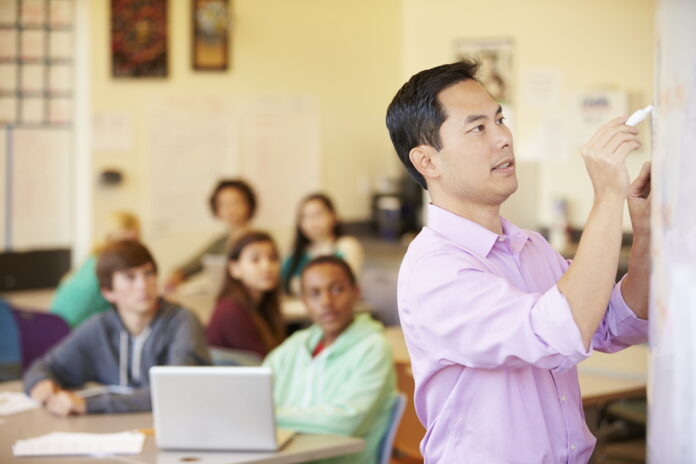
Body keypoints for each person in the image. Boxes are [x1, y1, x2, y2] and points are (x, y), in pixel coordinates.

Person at [385, 59, 650, 463]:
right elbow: (562, 329)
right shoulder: (435, 269)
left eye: (500, 120)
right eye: (478, 128)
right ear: (427, 162)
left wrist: (645, 236)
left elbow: (612, 322)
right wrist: (607, 198)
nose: (503, 138)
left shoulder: (530, 246)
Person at [24, 240, 211, 416]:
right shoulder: (99, 327)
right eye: (130, 277)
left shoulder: (182, 321)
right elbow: (44, 366)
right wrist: (41, 383)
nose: (143, 285)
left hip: (174, 424)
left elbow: (175, 391)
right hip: (113, 432)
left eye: (148, 273)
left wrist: (89, 405)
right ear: (108, 292)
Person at [265, 256, 396, 464]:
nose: (326, 302)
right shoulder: (295, 345)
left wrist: (269, 417)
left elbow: (345, 423)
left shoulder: (373, 348)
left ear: (356, 292)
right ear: (304, 302)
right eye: (314, 293)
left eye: (336, 289)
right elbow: (255, 397)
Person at [50, 211, 140, 328]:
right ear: (109, 240)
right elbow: (137, 307)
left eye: (135, 243)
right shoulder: (108, 268)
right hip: (72, 337)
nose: (132, 250)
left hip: (57, 331)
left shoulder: (92, 260)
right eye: (125, 244)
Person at [166, 179, 257, 291]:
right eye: (224, 204)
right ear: (217, 210)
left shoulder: (260, 242)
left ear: (248, 205)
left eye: (236, 202)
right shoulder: (220, 243)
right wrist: (175, 277)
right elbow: (190, 267)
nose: (230, 209)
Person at [206, 231, 286, 357]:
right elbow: (264, 364)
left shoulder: (261, 306)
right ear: (234, 268)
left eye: (273, 258)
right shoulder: (230, 312)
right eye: (255, 260)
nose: (267, 266)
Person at [281, 193, 363, 295]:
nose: (312, 221)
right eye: (306, 217)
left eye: (318, 214)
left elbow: (345, 284)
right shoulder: (293, 251)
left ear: (334, 216)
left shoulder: (346, 245)